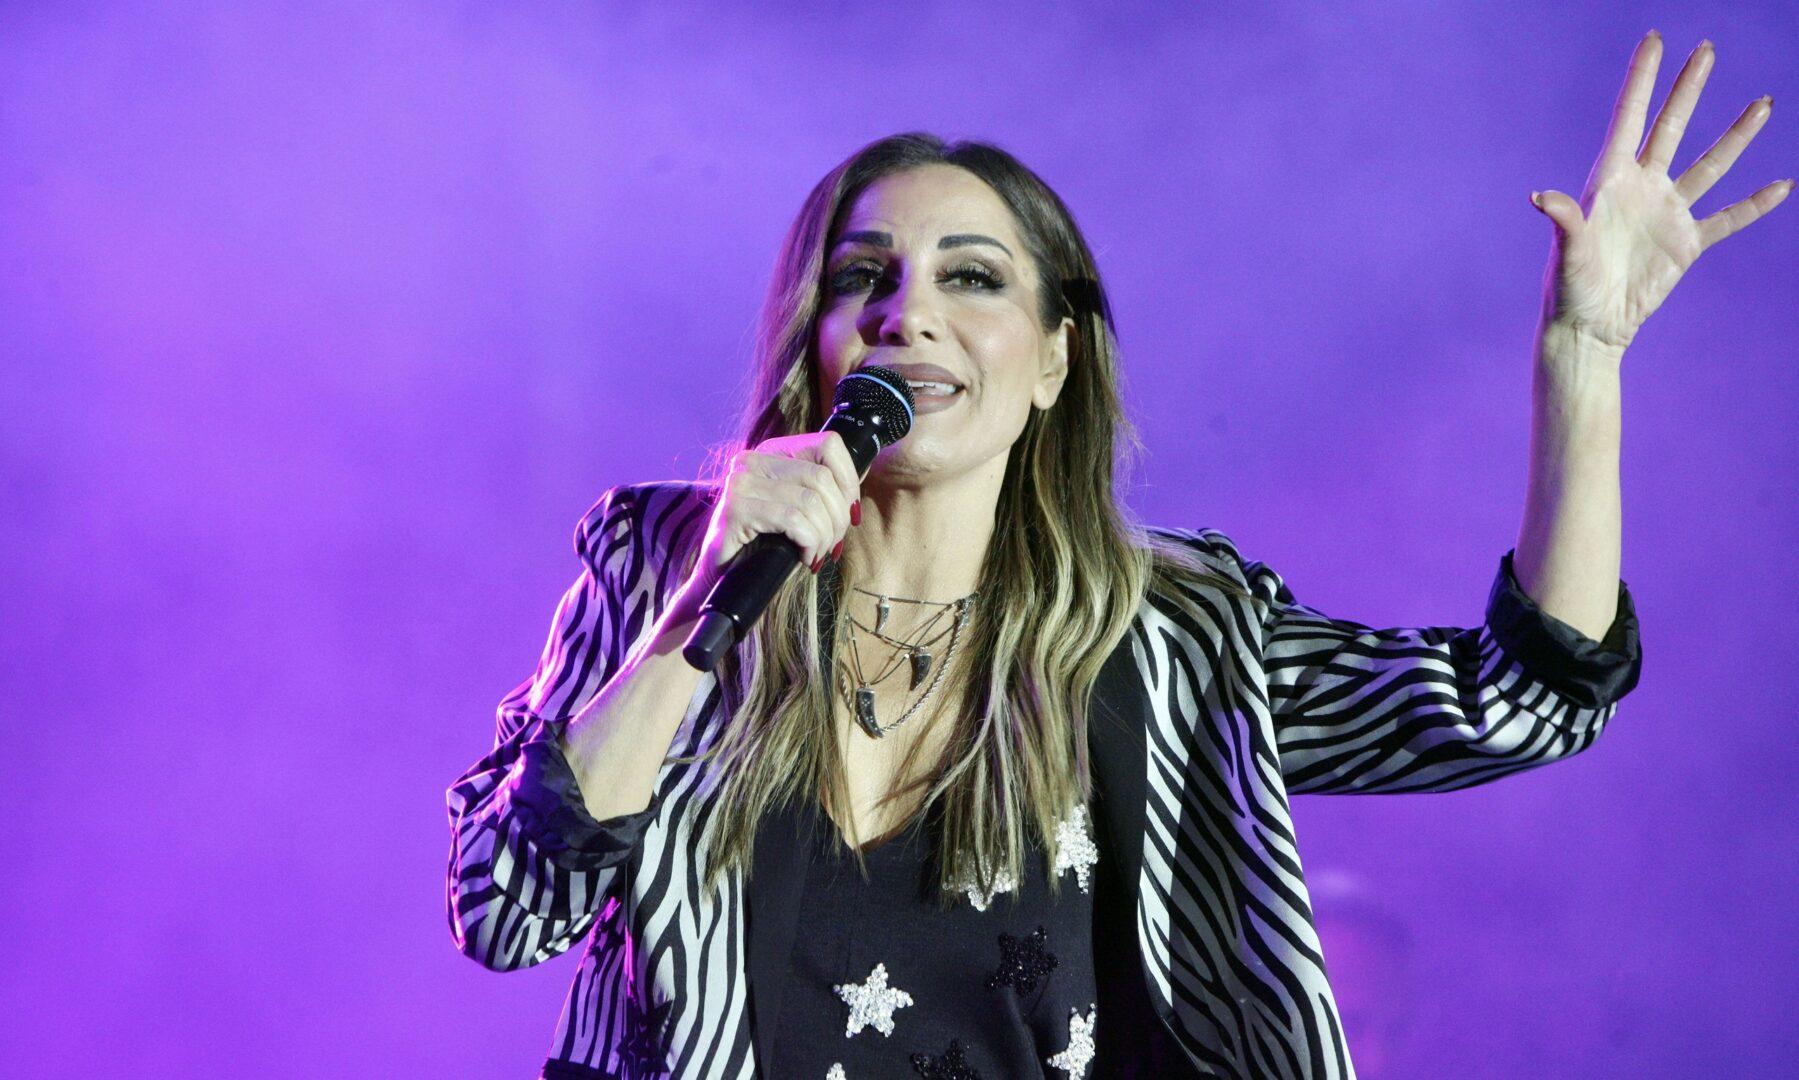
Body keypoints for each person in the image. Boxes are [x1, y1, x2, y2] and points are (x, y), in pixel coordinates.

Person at [446, 33, 1782, 1078]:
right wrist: (697, 613)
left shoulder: (1166, 636)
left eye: (973, 278)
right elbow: (508, 913)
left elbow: (1522, 702)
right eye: (864, 276)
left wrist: (1583, 361)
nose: (910, 313)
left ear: (1052, 361)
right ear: (815, 339)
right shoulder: (659, 561)